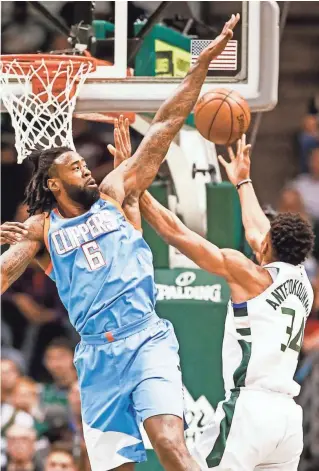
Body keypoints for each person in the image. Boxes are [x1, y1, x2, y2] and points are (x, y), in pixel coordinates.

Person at [0, 14, 240, 471]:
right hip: (96, 356)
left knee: (170, 442)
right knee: (114, 467)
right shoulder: (40, 229)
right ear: (52, 184)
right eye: (75, 167)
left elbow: (166, 124)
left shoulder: (113, 195)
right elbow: (6, 270)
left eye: (85, 163)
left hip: (147, 339)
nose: (87, 168)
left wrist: (201, 66)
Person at [109, 125, 315, 470]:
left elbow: (175, 232)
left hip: (251, 410)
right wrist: (242, 182)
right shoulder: (302, 281)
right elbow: (257, 231)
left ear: (266, 247)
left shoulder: (250, 275)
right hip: (287, 420)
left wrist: (133, 179)